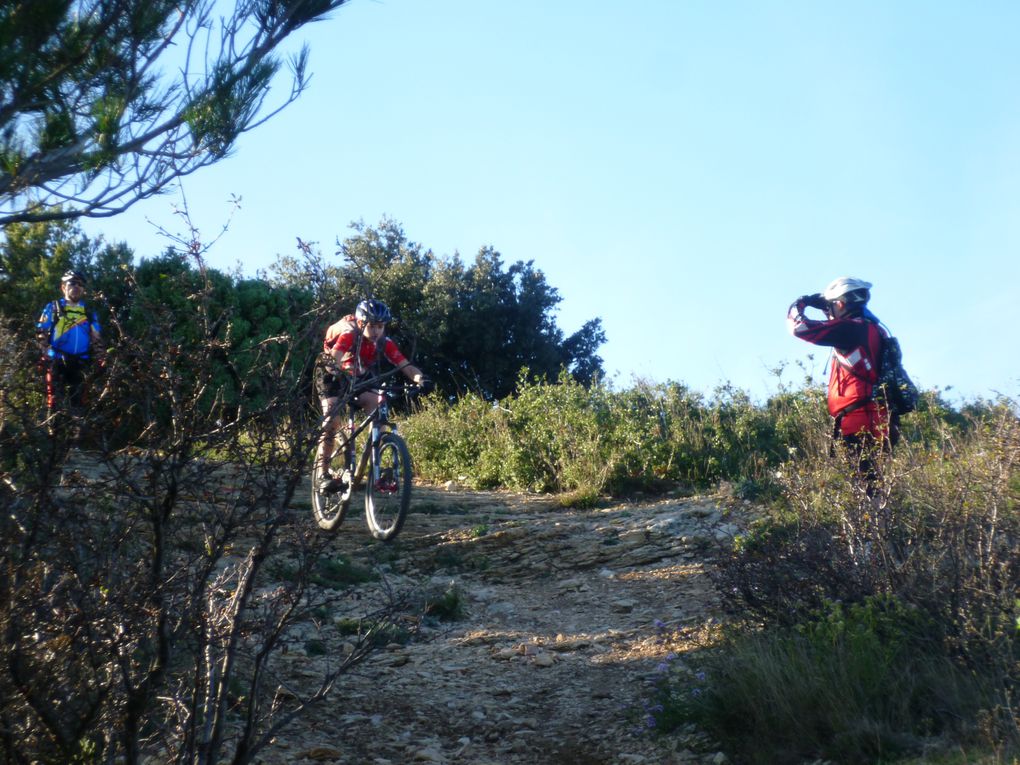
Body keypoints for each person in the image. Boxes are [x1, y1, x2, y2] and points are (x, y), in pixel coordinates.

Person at [787, 276, 897, 489]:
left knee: (865, 487)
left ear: (840, 303)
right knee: (876, 483)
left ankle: (873, 522)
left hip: (859, 419)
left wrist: (801, 303)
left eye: (832, 305)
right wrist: (827, 308)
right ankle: (880, 520)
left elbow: (799, 328)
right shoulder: (875, 330)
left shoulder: (850, 329)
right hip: (883, 418)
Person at [314, 299, 428, 493]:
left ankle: (379, 466)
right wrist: (340, 372)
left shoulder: (384, 342)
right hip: (331, 370)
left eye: (380, 326)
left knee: (379, 405)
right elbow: (334, 359)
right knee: (332, 418)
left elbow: (404, 365)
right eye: (372, 326)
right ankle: (322, 474)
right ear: (360, 323)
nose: (376, 331)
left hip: (357, 372)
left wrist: (420, 379)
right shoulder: (349, 335)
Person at [36, 270, 103, 432]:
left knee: (78, 402)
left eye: (80, 284)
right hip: (57, 359)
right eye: (72, 283)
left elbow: (96, 338)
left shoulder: (89, 313)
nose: (76, 287)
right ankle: (53, 440)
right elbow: (41, 332)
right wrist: (45, 352)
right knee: (54, 401)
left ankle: (74, 444)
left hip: (80, 361)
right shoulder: (53, 307)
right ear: (63, 287)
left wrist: (102, 358)